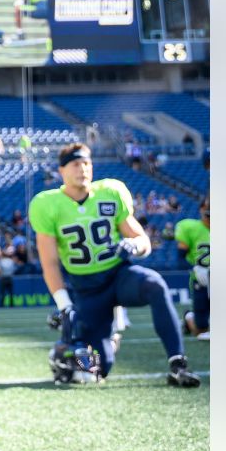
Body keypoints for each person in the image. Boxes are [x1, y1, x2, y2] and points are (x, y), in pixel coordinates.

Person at [29, 143, 200, 387]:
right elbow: (50, 263)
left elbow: (143, 240)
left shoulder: (110, 192)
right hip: (86, 290)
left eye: (86, 163)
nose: (83, 169)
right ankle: (109, 342)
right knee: (96, 370)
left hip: (119, 276)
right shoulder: (47, 204)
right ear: (61, 170)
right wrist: (65, 305)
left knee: (155, 284)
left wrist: (135, 246)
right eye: (76, 164)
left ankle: (177, 364)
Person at [175, 196, 211, 340]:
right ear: (201, 209)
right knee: (201, 330)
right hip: (201, 281)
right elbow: (180, 259)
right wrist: (195, 269)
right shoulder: (191, 227)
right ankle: (189, 317)